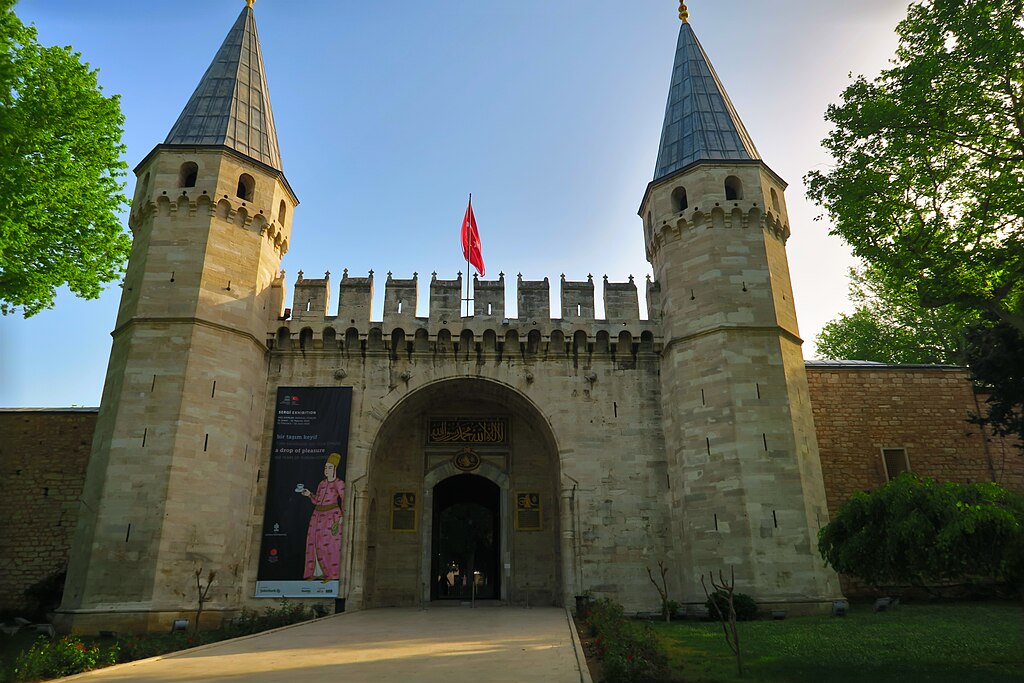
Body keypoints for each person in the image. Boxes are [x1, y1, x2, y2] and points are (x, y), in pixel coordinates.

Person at [300, 452, 345, 581]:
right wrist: (309, 494)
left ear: (334, 469)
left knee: (329, 545)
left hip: (331, 516)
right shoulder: (321, 483)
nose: (326, 470)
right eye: (326, 467)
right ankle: (315, 573)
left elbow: (345, 499)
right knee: (313, 543)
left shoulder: (339, 483)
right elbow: (317, 500)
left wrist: (342, 516)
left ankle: (331, 574)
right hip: (317, 516)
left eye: (329, 468)